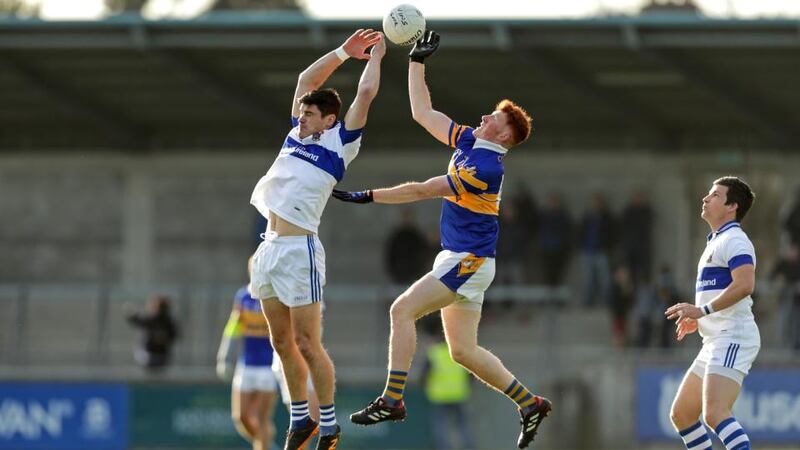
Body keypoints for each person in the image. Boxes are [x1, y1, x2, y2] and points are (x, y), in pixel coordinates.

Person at [331, 30, 551, 449]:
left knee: (401, 311)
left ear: (504, 136)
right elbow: (422, 112)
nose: (484, 118)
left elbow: (422, 189)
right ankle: (529, 402)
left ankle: (393, 398)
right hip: (464, 259)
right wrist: (417, 61)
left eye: (493, 120)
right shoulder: (471, 140)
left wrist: (369, 195)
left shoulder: (488, 168)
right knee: (463, 352)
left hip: (468, 260)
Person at [247, 29, 385, 450]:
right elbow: (306, 78)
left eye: (310, 114)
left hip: (300, 249)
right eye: (302, 112)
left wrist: (375, 57)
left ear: (328, 120)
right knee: (280, 341)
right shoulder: (295, 136)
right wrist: (345, 51)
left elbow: (364, 95)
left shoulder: (340, 143)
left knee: (308, 342)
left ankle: (328, 423)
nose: (302, 117)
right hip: (268, 248)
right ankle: (299, 417)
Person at [665, 176, 758, 450]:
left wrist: (702, 310)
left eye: (715, 195)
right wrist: (703, 317)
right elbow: (724, 289)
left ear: (732, 206)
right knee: (681, 414)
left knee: (715, 414)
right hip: (715, 339)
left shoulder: (736, 240)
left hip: (733, 337)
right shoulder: (716, 240)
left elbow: (745, 285)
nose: (706, 198)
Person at [217, 279, 279, 450]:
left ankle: (265, 445)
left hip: (269, 366)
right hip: (246, 364)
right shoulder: (243, 296)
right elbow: (233, 327)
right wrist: (225, 357)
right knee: (241, 417)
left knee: (262, 418)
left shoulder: (276, 294)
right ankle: (268, 444)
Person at [421, 320, 474, 450]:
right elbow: (471, 373)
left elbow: (424, 374)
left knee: (441, 425)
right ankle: (468, 447)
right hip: (459, 393)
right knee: (462, 425)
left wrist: (425, 385)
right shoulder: (460, 352)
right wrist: (469, 386)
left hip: (439, 395)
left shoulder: (434, 352)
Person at [125, 294, 178, 372]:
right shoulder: (168, 322)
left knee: (140, 347)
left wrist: (130, 313)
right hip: (158, 357)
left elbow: (137, 321)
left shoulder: (157, 320)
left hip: (155, 357)